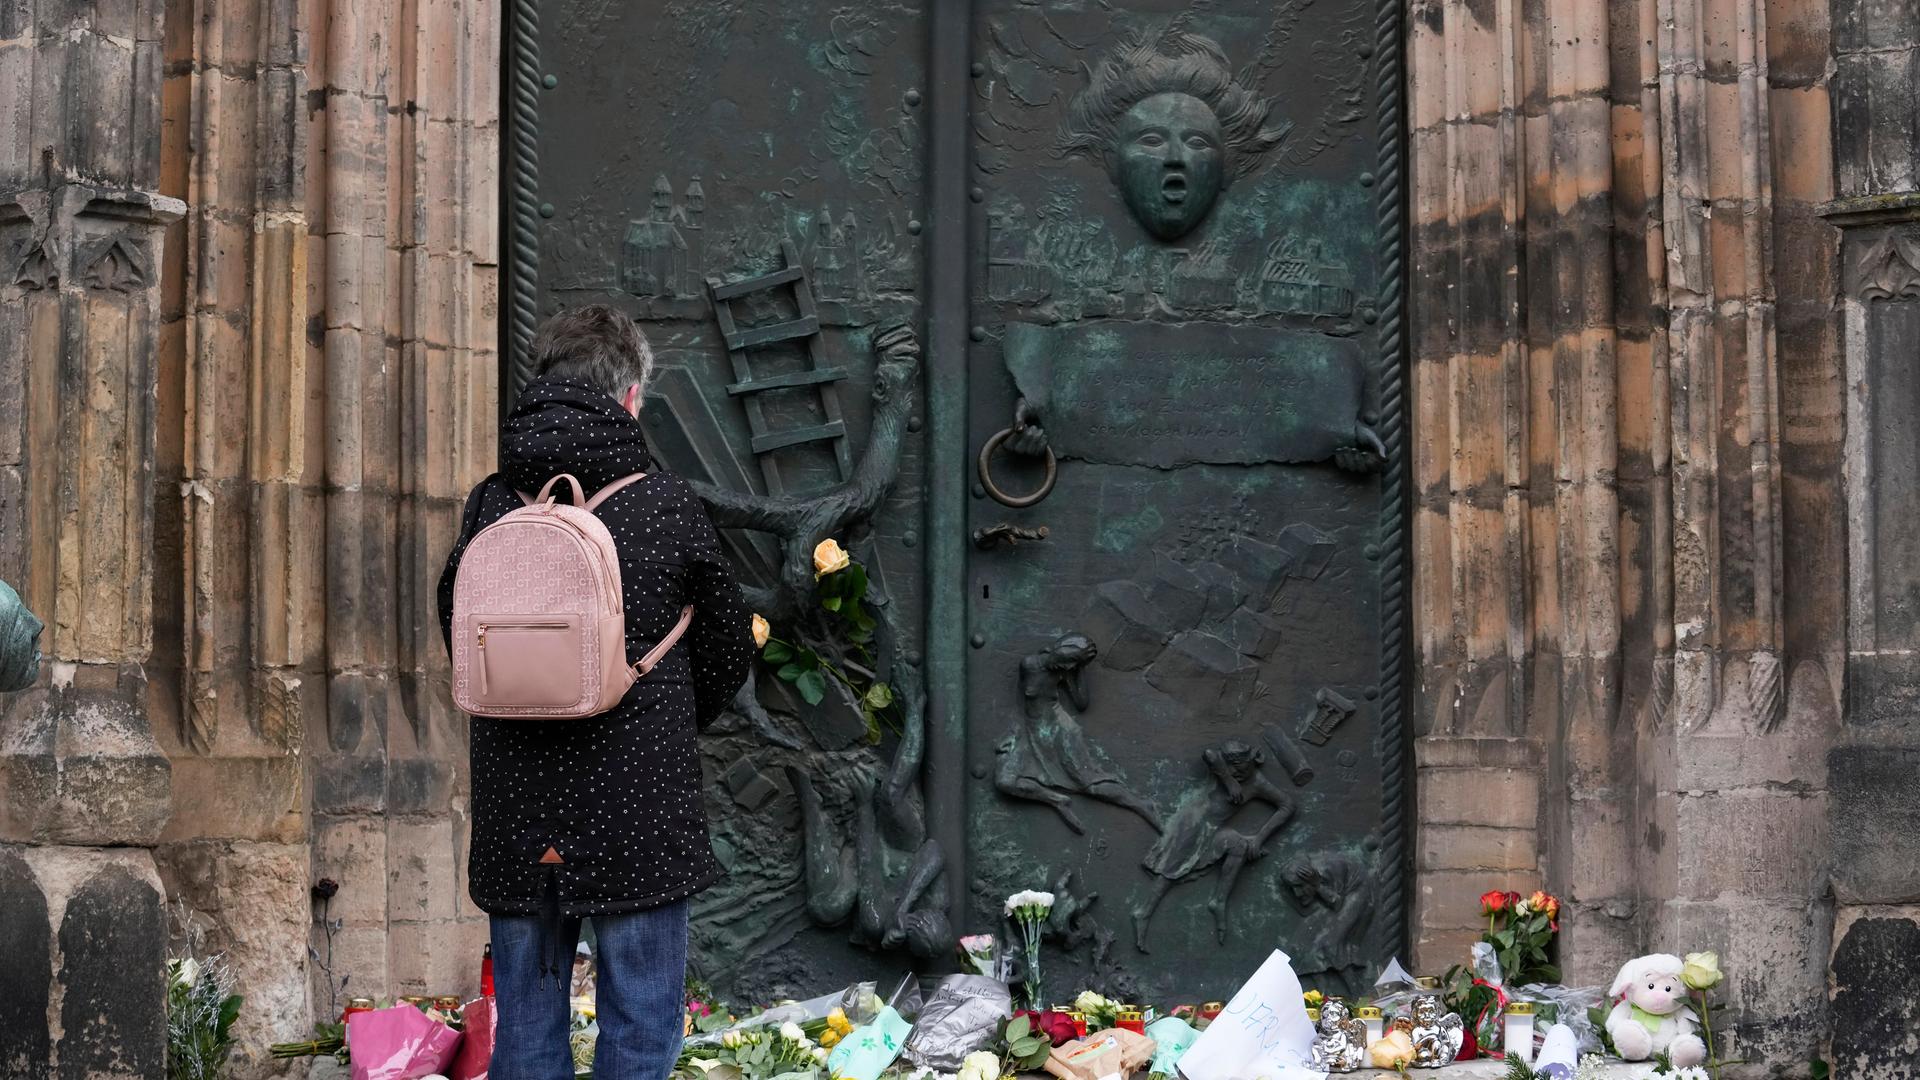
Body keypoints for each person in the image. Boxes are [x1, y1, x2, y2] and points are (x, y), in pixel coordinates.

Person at [437, 304, 754, 1080]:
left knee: (528, 1036)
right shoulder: (667, 505)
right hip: (639, 807)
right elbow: (726, 646)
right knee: (640, 1030)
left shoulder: (493, 503)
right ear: (632, 398)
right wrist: (663, 714)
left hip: (520, 813)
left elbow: (456, 628)